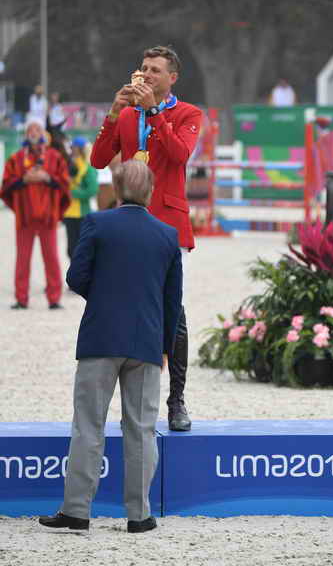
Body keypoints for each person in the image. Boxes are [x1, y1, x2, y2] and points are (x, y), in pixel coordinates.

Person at [39, 159, 182, 533]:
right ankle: (139, 515)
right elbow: (173, 301)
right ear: (151, 191)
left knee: (88, 425)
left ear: (116, 190)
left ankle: (77, 511)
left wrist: (102, 298)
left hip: (101, 336)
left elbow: (75, 276)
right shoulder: (168, 235)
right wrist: (166, 347)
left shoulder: (97, 224)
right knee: (141, 428)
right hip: (147, 340)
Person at [90, 45, 202, 432]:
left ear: (173, 78)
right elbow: (98, 160)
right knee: (127, 307)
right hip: (128, 221)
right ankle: (133, 404)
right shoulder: (126, 114)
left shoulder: (187, 113)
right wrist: (112, 112)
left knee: (173, 311)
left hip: (167, 224)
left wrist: (154, 111)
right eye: (143, 68)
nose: (147, 75)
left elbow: (179, 154)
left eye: (155, 70)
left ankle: (177, 399)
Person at [0, 117, 70, 309]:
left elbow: (64, 184)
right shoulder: (16, 158)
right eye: (30, 129)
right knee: (22, 259)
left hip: (48, 217)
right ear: (25, 134)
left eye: (37, 129)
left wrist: (47, 178)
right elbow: (6, 185)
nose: (34, 132)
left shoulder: (55, 157)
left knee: (52, 258)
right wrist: (24, 179)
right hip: (24, 217)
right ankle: (21, 299)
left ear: (43, 134)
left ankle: (54, 298)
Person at [63, 137, 98, 259]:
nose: (73, 150)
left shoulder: (88, 168)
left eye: (75, 148)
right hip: (69, 214)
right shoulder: (67, 165)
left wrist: (73, 193)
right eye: (72, 148)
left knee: (81, 249)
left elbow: (93, 189)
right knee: (71, 250)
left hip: (83, 213)